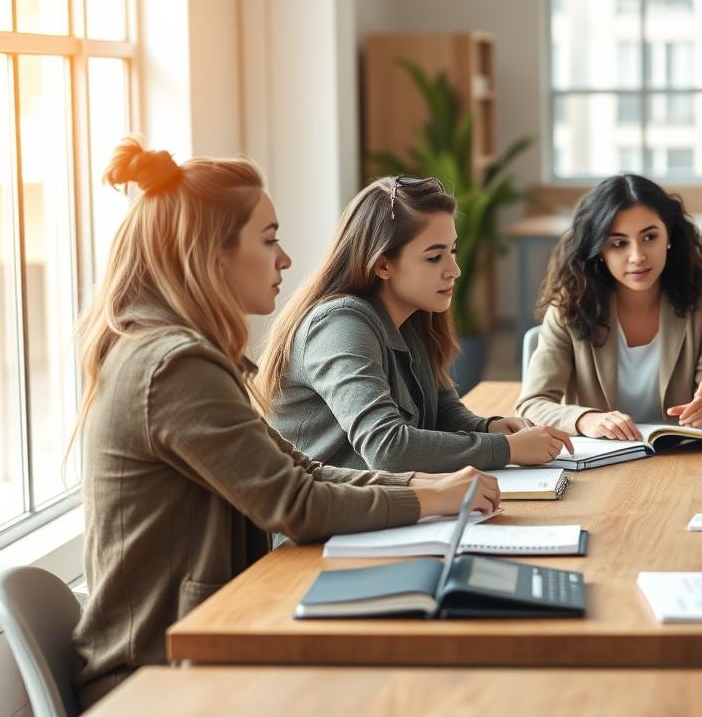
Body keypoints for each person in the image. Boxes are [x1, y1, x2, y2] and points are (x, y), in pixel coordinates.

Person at [71, 139, 499, 707]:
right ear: (210, 254)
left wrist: (422, 486)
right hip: (158, 676)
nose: (286, 260)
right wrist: (429, 499)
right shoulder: (173, 366)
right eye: (268, 239)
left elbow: (300, 469)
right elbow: (295, 503)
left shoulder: (178, 352)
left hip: (211, 636)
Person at [258, 176, 572, 471]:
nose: (454, 270)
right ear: (383, 265)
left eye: (452, 251)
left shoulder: (412, 316)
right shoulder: (339, 325)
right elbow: (386, 447)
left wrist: (489, 427)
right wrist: (507, 449)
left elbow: (442, 411)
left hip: (380, 507)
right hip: (324, 524)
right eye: (434, 258)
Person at [515, 174, 702, 438]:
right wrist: (585, 420)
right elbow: (531, 405)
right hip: (602, 461)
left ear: (669, 235)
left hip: (681, 456)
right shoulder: (571, 302)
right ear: (599, 250)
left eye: (649, 237)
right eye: (619, 243)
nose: (637, 257)